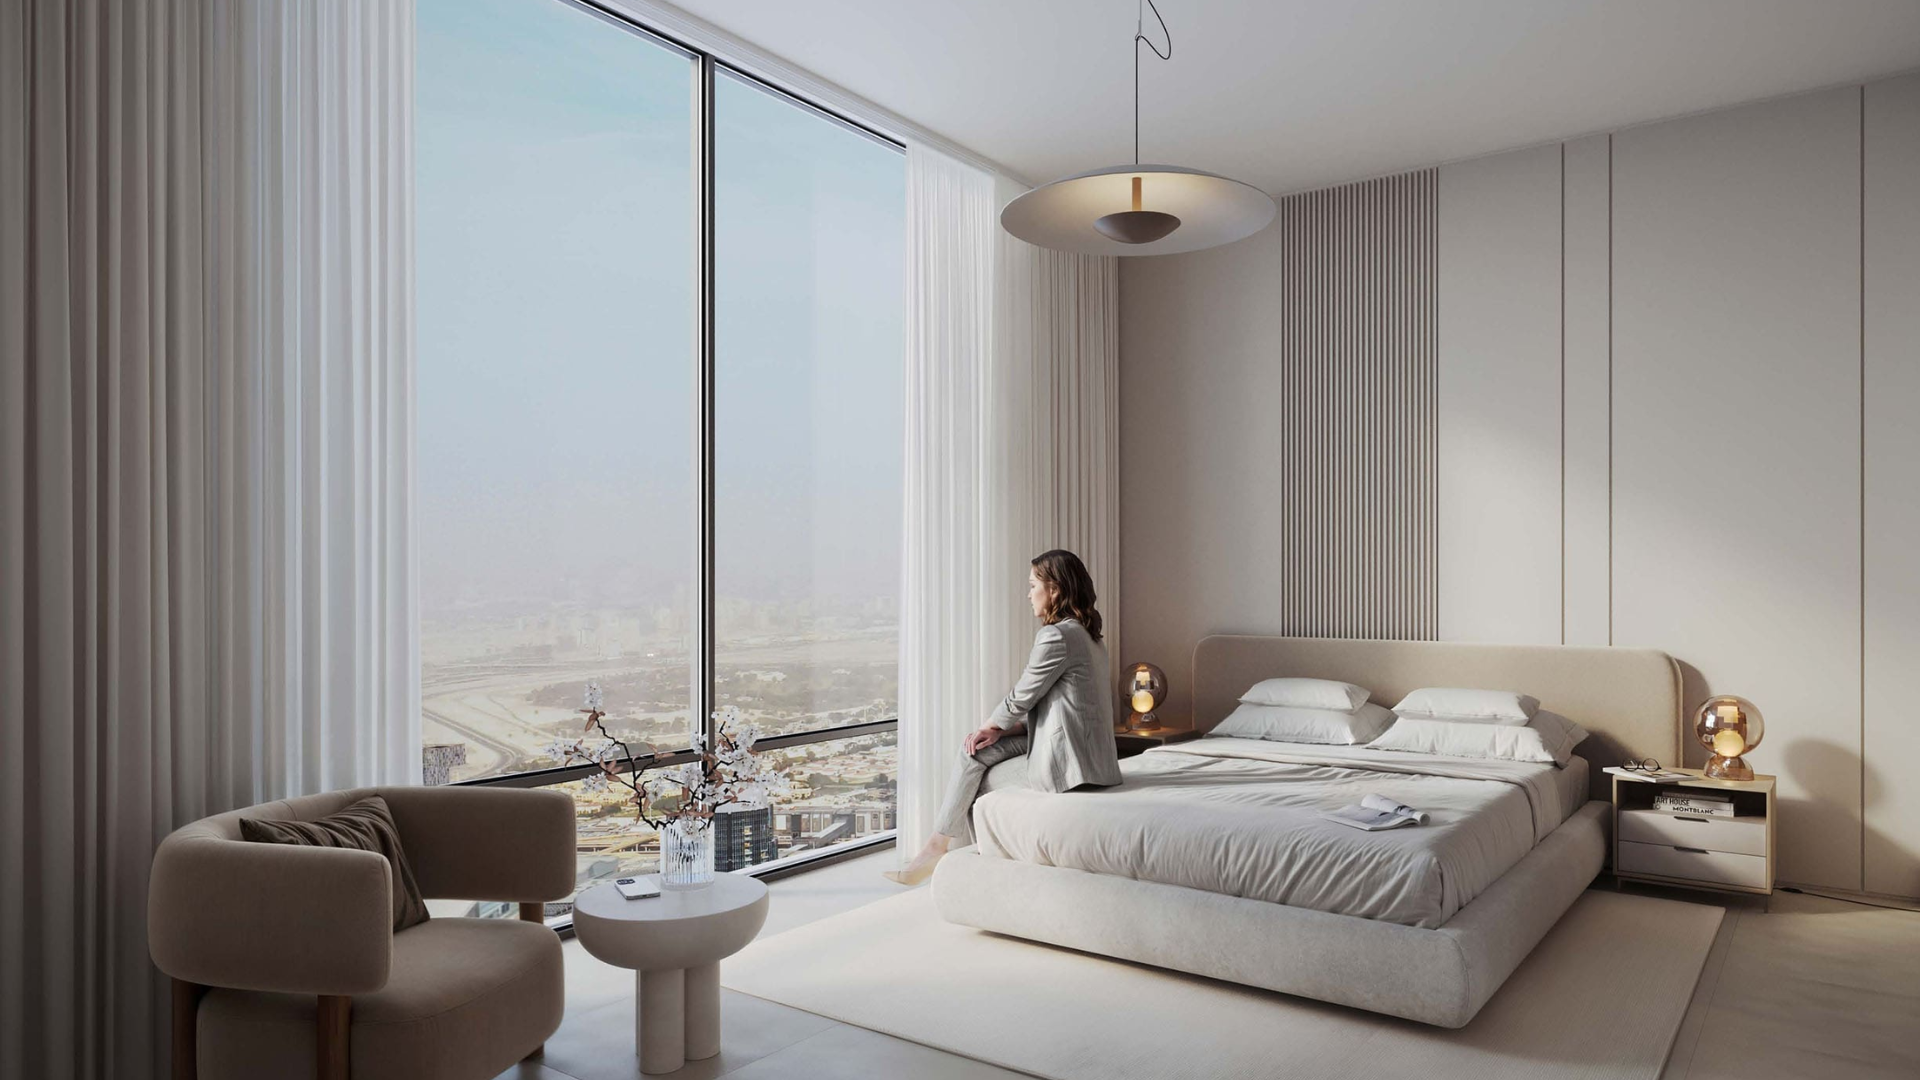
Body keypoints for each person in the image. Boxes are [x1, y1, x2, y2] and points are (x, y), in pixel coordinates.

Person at [884, 548, 1122, 886]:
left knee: (976, 771)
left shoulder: (1056, 636)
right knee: (976, 753)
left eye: (1032, 585)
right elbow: (1063, 711)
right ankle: (944, 850)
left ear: (1053, 589)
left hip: (1072, 767)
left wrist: (989, 726)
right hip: (1096, 762)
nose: (1028, 594)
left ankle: (972, 860)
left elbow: (1021, 696)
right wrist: (1002, 733)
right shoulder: (1090, 637)